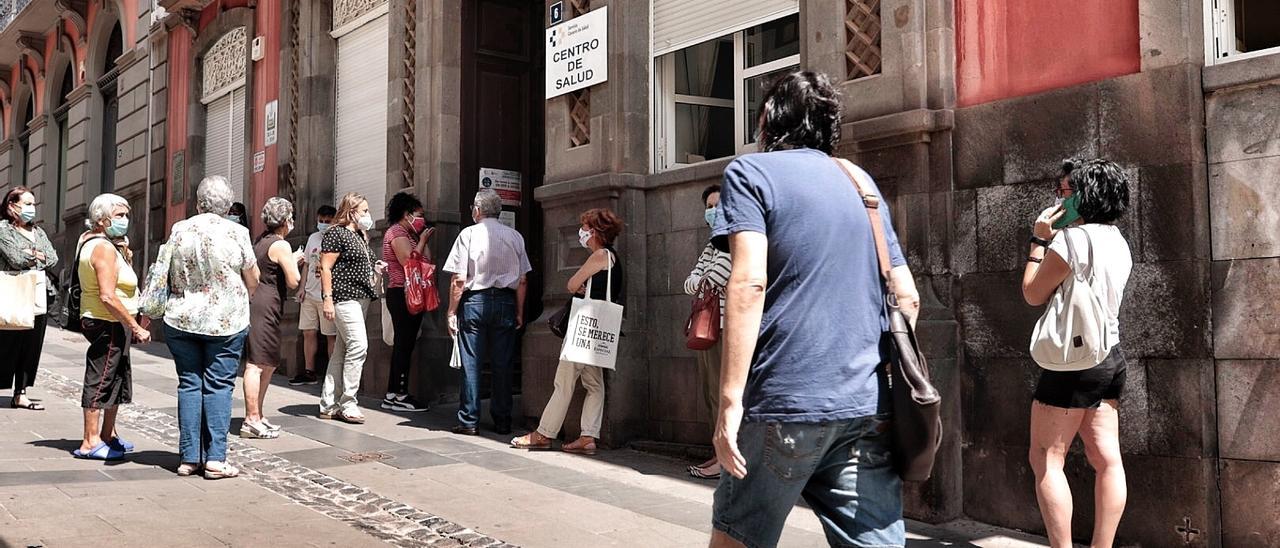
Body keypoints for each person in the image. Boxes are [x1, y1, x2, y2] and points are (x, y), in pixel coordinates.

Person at [709, 71, 920, 548]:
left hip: (783, 400)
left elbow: (748, 281)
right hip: (864, 405)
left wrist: (728, 403)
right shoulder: (860, 182)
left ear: (767, 120)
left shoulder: (750, 173)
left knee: (737, 539)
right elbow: (907, 295)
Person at [1022, 159, 1132, 548]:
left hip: (1073, 361)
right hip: (1110, 358)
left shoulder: (1070, 240)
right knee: (1106, 461)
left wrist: (1038, 241)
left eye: (1066, 192)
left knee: (1046, 458)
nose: (1060, 199)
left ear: (1086, 195)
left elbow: (1033, 293)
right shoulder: (1118, 240)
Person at [163, 176, 259, 478]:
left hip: (182, 317)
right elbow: (252, 275)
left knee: (189, 383)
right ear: (228, 205)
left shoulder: (179, 229)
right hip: (225, 320)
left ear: (197, 202)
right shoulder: (237, 231)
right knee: (219, 385)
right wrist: (246, 294)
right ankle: (216, 458)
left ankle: (189, 458)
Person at [510, 208, 623, 455]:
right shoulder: (613, 257)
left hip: (583, 327)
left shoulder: (599, 255)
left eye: (584, 228)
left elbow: (571, 284)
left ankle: (543, 434)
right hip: (599, 329)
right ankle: (588, 436)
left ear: (593, 232)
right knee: (594, 384)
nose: (581, 233)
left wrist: (579, 286)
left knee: (564, 382)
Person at [443, 189, 530, 436]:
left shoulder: (467, 235)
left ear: (477, 210)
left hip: (474, 301)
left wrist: (451, 310)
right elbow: (523, 280)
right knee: (503, 363)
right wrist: (520, 312)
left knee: (471, 362)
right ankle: (503, 420)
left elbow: (459, 279)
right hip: (505, 302)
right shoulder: (515, 236)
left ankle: (469, 420)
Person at [74, 193, 148, 461]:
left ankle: (108, 434)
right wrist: (135, 326)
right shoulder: (102, 247)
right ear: (102, 219)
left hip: (115, 321)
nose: (125, 220)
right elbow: (107, 295)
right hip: (107, 321)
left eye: (126, 215)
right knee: (101, 377)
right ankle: (90, 441)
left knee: (117, 377)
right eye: (119, 215)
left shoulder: (109, 244)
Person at [241, 197, 303, 439]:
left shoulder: (261, 241)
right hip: (267, 304)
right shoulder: (281, 245)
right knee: (257, 364)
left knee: (267, 362)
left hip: (261, 302)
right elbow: (293, 280)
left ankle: (259, 414)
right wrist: (295, 263)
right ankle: (251, 418)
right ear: (286, 220)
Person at [683, 185, 731, 479]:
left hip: (727, 327)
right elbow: (691, 282)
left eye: (717, 205)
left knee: (721, 393)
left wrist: (703, 279)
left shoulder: (735, 240)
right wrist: (702, 279)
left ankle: (725, 459)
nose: (712, 211)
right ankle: (719, 453)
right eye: (708, 206)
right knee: (710, 395)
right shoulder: (713, 244)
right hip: (708, 325)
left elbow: (716, 277)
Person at [318, 192, 378, 424]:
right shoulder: (336, 233)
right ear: (351, 211)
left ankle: (328, 403)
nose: (367, 215)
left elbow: (369, 261)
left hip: (361, 297)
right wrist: (327, 299)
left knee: (341, 350)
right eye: (363, 211)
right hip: (345, 298)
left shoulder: (360, 235)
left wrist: (378, 265)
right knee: (359, 346)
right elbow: (325, 268)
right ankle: (349, 402)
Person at [0, 187, 58, 411]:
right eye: (26, 204)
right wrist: (36, 255)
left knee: (31, 345)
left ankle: (21, 393)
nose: (31, 209)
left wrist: (30, 255)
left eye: (33, 204)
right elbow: (15, 259)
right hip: (11, 292)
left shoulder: (38, 231)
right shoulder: (3, 230)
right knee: (6, 343)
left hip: (37, 293)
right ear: (11, 206)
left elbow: (52, 258)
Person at [380, 191, 435, 413]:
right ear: (406, 214)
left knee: (406, 342)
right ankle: (400, 394)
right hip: (402, 292)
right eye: (418, 214)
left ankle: (393, 393)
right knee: (404, 343)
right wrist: (422, 241)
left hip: (412, 292)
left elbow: (427, 259)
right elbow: (409, 262)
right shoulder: (396, 232)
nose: (422, 218)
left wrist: (421, 239)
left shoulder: (410, 233)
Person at [291, 205, 338, 386]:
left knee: (330, 335)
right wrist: (301, 288)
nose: (324, 225)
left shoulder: (337, 238)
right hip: (310, 293)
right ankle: (309, 371)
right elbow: (307, 265)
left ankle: (332, 374)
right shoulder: (313, 238)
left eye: (328, 222)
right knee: (308, 332)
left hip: (327, 295)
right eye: (321, 221)